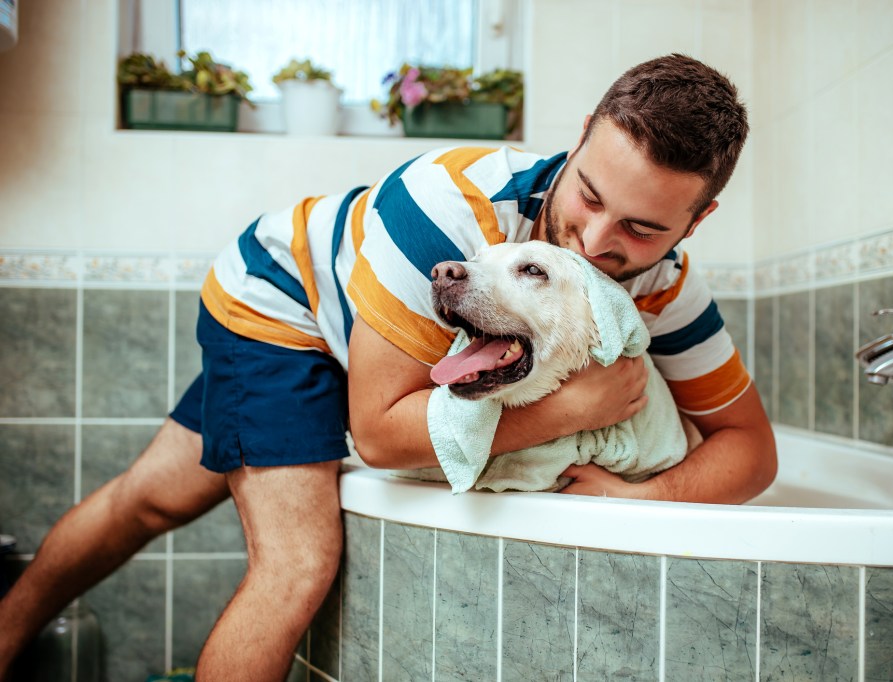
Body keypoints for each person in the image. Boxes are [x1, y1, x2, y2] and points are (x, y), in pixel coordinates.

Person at [0, 53, 776, 681]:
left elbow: (749, 446)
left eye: (640, 228)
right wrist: (574, 411)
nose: (595, 241)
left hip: (364, 336)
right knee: (297, 565)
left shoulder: (666, 281)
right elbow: (378, 433)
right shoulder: (445, 205)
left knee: (151, 500)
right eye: (588, 194)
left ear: (695, 221)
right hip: (285, 297)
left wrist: (643, 501)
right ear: (578, 140)